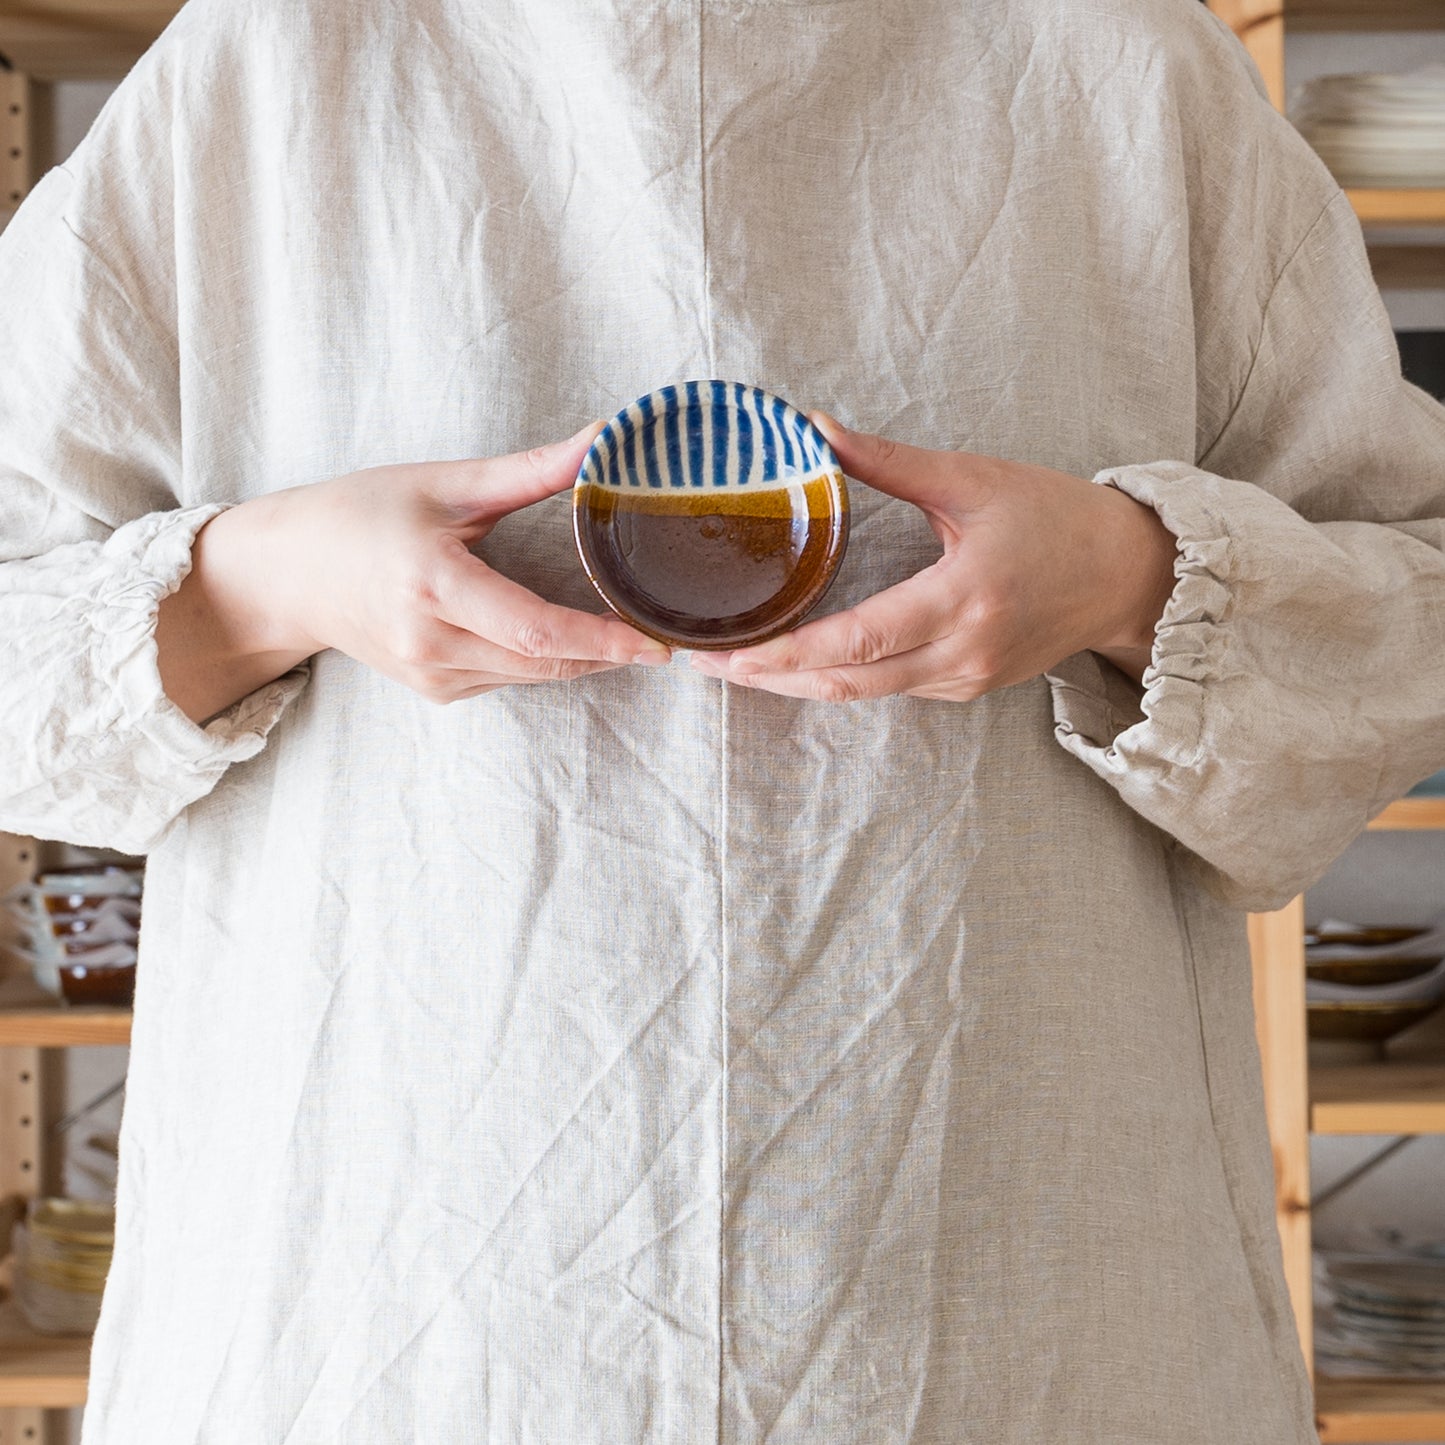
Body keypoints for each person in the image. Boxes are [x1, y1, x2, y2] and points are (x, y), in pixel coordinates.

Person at [1, 0, 1442, 1439]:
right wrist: (265, 581)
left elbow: (1410, 613)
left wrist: (1126, 573)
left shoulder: (1121, 60)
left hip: (1020, 1284)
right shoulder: (268, 65)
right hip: (396, 1297)